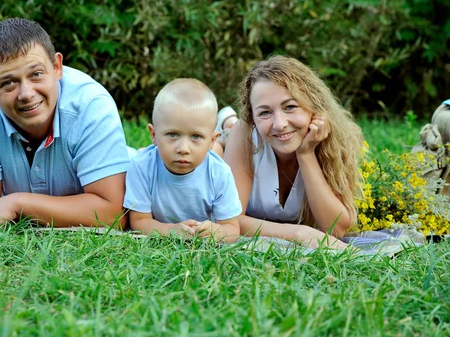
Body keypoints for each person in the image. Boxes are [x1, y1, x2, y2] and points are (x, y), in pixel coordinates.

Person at [0, 18, 131, 227]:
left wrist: (18, 204)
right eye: (8, 83)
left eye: (36, 74)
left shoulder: (90, 105)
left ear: (57, 66)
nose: (26, 94)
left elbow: (113, 215)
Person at [224, 55, 363, 248]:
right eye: (265, 112)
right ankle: (225, 120)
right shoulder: (244, 133)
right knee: (217, 143)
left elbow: (335, 229)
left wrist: (306, 154)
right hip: (224, 143)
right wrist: (298, 233)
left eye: (290, 107)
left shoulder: (335, 142)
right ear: (252, 118)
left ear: (315, 107)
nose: (280, 124)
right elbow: (228, 221)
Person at [123, 78, 242, 242]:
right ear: (153, 135)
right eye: (173, 134)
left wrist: (215, 231)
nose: (183, 148)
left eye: (196, 136)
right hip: (140, 157)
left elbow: (232, 228)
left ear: (211, 141)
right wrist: (170, 230)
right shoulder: (141, 167)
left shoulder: (220, 173)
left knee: (215, 157)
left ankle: (229, 127)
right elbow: (139, 221)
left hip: (211, 161)